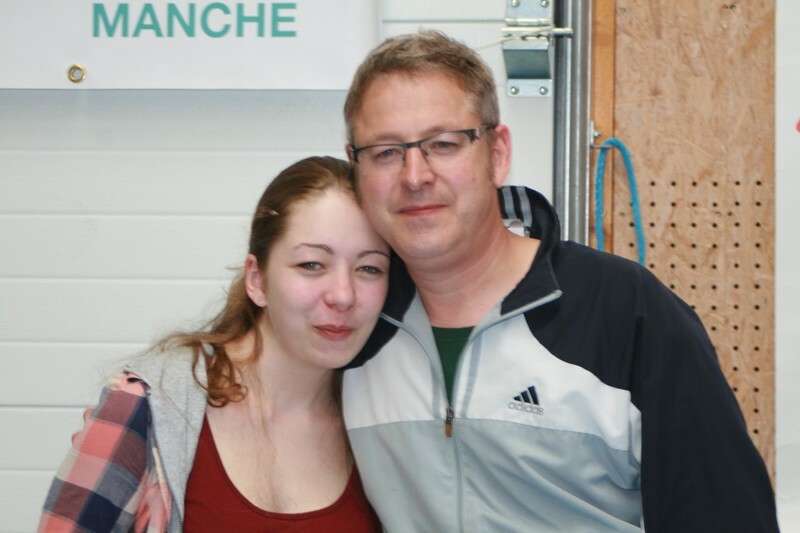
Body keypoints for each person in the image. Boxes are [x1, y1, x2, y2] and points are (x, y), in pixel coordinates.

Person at [341, 30, 779, 532]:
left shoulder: (626, 312)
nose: (415, 175)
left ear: (497, 153)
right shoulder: (348, 327)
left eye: (443, 144)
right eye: (386, 152)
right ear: (356, 167)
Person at [38, 156, 387, 532]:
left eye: (369, 268)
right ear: (257, 279)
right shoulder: (146, 407)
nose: (343, 295)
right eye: (312, 264)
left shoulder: (384, 423)